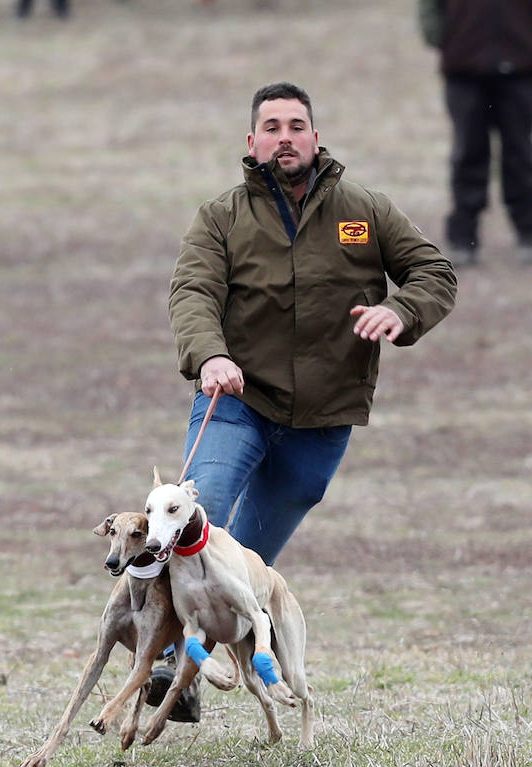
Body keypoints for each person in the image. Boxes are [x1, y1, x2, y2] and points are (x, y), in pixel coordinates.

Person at [146, 82, 457, 720]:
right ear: (252, 142)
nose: (285, 137)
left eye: (297, 125)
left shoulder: (365, 210)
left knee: (245, 562)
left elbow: (435, 273)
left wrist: (401, 310)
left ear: (315, 138)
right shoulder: (222, 216)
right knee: (191, 513)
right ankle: (167, 662)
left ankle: (209, 641)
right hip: (235, 397)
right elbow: (192, 292)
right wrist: (210, 355)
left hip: (324, 416)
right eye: (272, 126)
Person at [418, 0, 532, 266]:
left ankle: (528, 232)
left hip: (521, 65)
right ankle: (463, 238)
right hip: (464, 67)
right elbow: (429, 7)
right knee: (469, 152)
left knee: (520, 153)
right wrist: (438, 34)